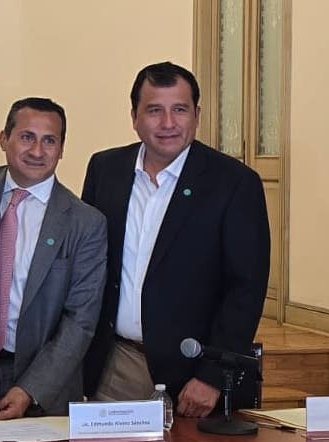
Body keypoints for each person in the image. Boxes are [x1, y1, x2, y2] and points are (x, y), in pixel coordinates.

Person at [81, 61, 270, 417]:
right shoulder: (105, 170)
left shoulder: (234, 183)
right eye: (155, 110)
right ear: (134, 116)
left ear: (197, 115)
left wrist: (213, 375)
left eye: (180, 110)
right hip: (115, 367)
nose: (168, 123)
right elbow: (87, 263)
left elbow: (246, 288)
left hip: (192, 379)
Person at [0, 97, 107, 419]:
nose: (37, 151)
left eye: (49, 141)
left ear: (62, 148)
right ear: (4, 139)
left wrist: (31, 389)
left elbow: (80, 320)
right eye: (27, 137)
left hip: (41, 386)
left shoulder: (85, 222)